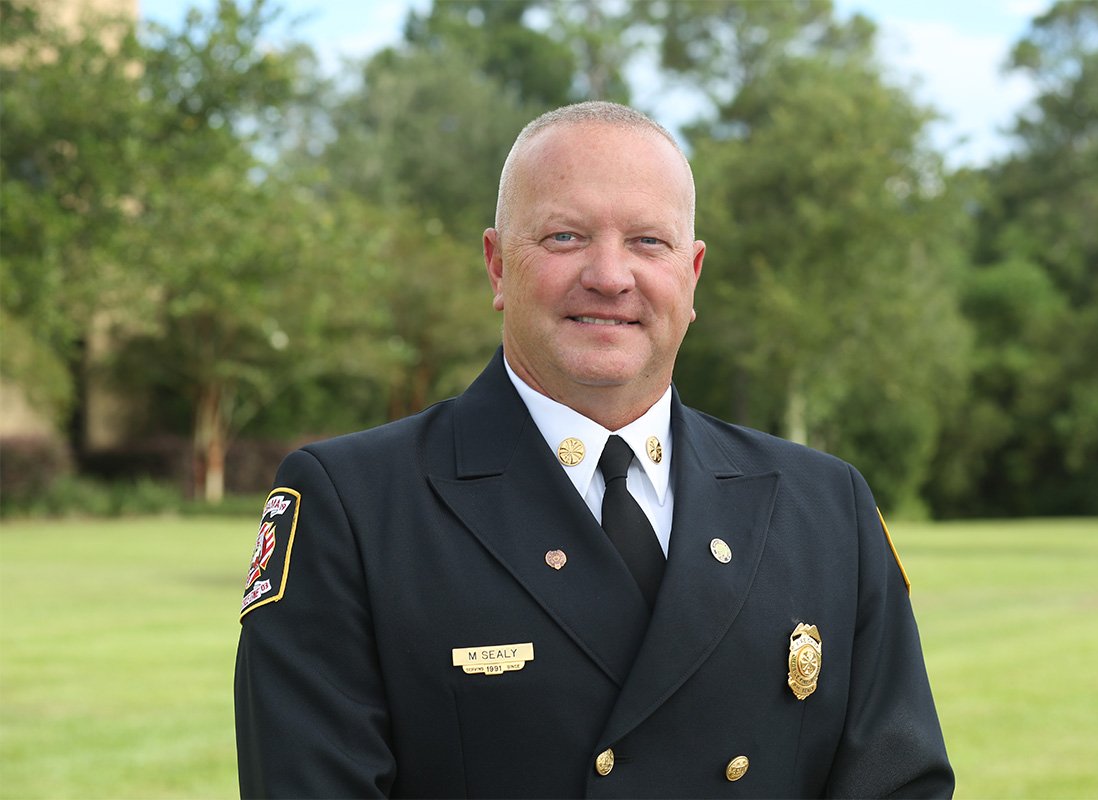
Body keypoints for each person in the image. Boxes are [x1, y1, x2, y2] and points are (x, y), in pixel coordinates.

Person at [234, 101, 953, 798]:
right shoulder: (353, 506)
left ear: (692, 274)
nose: (611, 277)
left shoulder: (827, 507)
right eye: (564, 237)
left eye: (648, 241)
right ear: (495, 265)